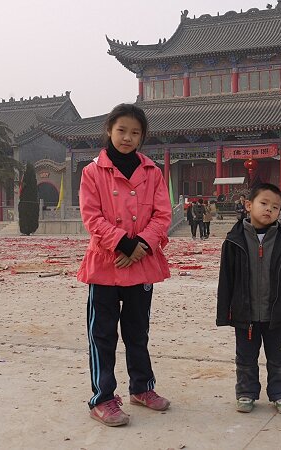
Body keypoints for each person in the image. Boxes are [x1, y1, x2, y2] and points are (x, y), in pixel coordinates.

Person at [77, 103, 172, 427]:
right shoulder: (92, 172)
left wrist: (141, 245)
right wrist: (123, 242)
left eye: (135, 132)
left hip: (141, 264)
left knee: (137, 331)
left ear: (143, 136)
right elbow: (92, 217)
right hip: (105, 263)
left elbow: (163, 215)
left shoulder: (152, 172)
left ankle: (142, 387)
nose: (128, 137)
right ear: (109, 130)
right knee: (102, 334)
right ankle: (102, 398)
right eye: (122, 130)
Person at [217, 183, 281, 415]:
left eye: (275, 207)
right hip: (246, 314)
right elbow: (226, 279)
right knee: (245, 357)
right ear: (248, 205)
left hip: (276, 314)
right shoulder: (233, 241)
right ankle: (246, 392)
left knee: (280, 357)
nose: (269, 210)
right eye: (263, 203)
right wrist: (225, 313)